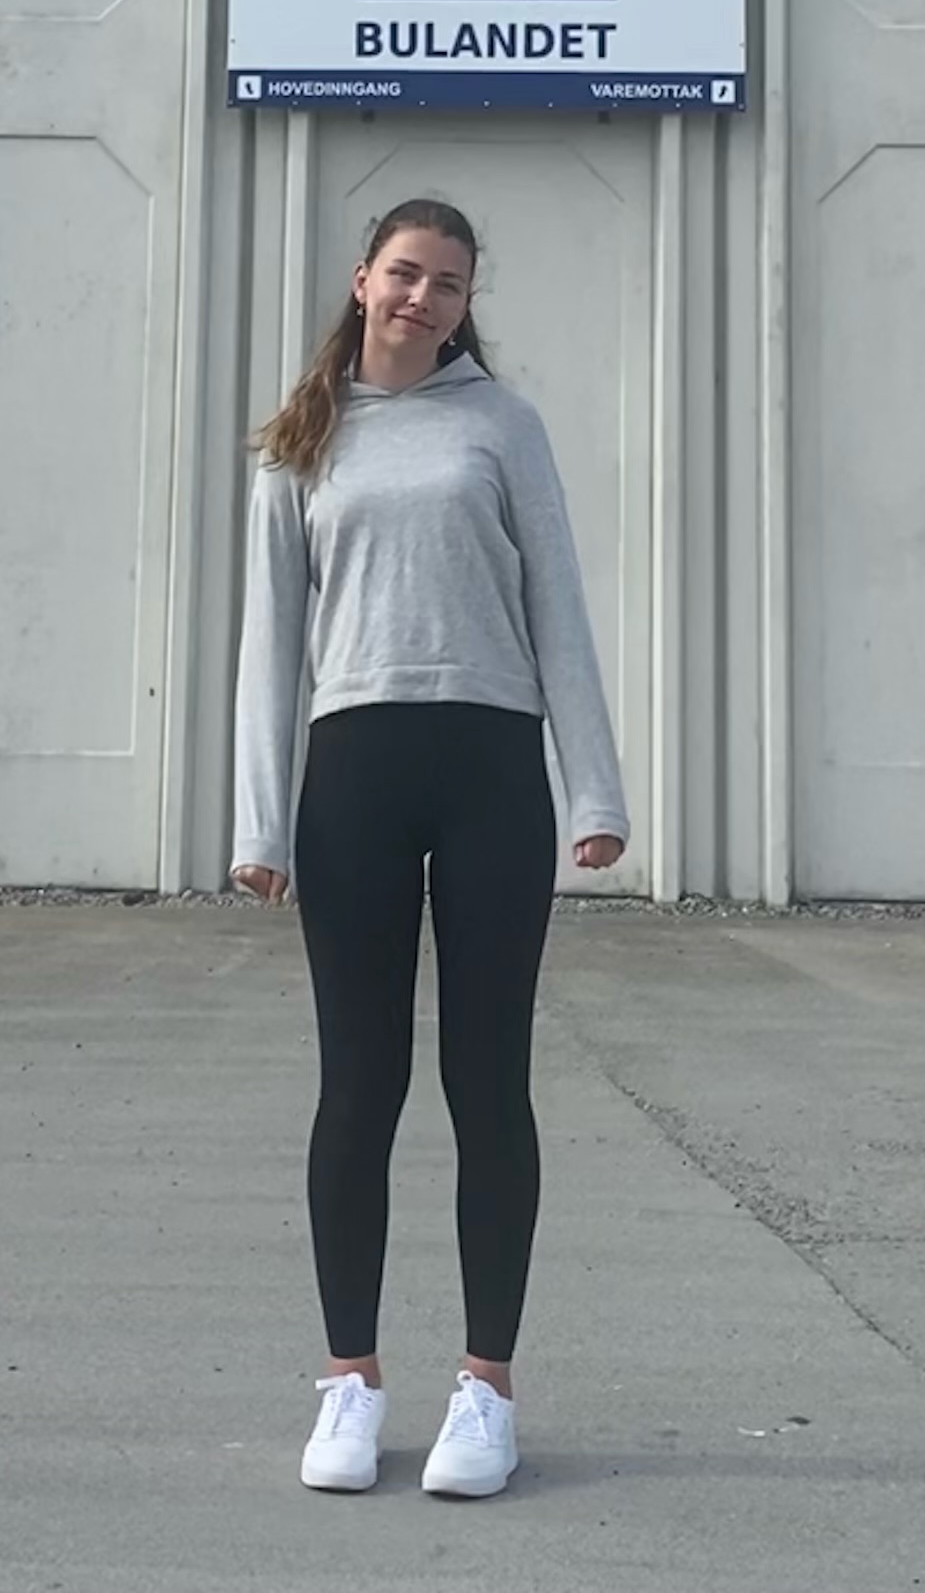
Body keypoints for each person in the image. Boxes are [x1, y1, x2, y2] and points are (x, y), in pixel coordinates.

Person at [230, 198, 629, 1502]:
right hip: (354, 773)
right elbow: (269, 649)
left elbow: (558, 606)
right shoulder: (300, 441)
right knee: (359, 1086)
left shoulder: (502, 426)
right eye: (405, 273)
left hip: (492, 773)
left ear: (465, 304)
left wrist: (594, 788)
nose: (423, 298)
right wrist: (259, 821)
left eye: (448, 284)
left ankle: (485, 1391)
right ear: (363, 280)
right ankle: (349, 1383)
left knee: (487, 1082)